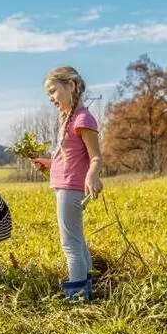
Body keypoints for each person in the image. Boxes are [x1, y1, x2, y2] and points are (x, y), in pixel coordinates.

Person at [32, 66, 103, 300]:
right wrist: (47, 162)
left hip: (71, 188)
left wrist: (92, 175)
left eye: (53, 91)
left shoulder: (82, 118)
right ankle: (87, 287)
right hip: (65, 185)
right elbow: (68, 158)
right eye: (48, 94)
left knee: (70, 244)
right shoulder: (67, 118)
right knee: (78, 241)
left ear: (71, 86)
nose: (51, 98)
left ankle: (77, 296)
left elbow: (95, 157)